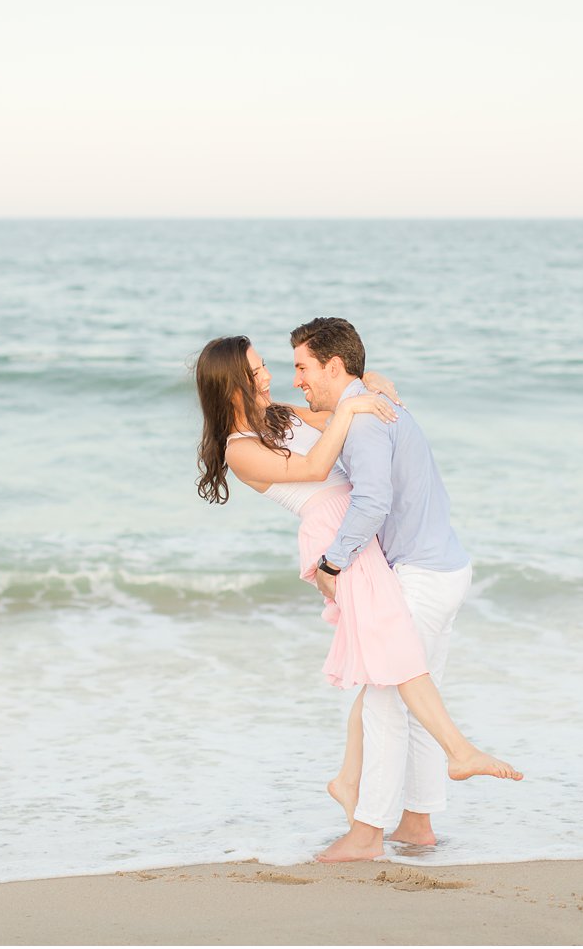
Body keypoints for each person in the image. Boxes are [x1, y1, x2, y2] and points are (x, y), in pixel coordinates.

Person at [193, 336, 521, 856]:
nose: (269, 376)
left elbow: (333, 407)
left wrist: (364, 388)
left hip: (355, 535)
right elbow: (314, 469)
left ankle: (368, 790)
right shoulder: (239, 449)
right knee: (393, 663)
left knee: (386, 666)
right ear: (230, 381)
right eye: (256, 371)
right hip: (336, 537)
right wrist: (354, 408)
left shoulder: (276, 414)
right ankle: (441, 763)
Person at [290, 316, 517, 864]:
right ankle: (417, 823)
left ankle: (366, 832)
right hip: (445, 569)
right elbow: (318, 415)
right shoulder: (368, 403)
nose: (297, 378)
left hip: (421, 576)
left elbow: (372, 502)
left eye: (302, 367)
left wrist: (332, 562)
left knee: (386, 701)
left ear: (334, 366)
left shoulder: (367, 420)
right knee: (414, 698)